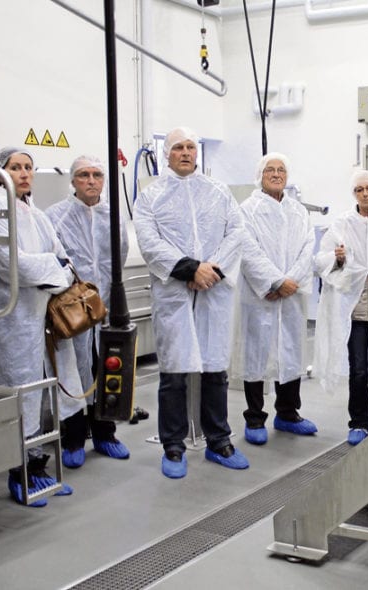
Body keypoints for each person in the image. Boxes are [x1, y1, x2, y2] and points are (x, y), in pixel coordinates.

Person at [134, 127, 249, 478]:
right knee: (174, 372)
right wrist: (189, 269)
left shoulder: (218, 191)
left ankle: (219, 440)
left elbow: (237, 231)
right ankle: (173, 445)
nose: (185, 153)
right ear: (166, 154)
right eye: (178, 148)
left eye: (190, 147)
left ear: (197, 154)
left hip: (213, 289)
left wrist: (210, 270)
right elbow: (149, 242)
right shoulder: (150, 196)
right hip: (175, 293)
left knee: (215, 368)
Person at [0, 147, 81, 506]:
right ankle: (19, 475)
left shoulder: (35, 213)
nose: (23, 173)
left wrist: (55, 270)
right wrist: (54, 271)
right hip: (11, 322)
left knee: (42, 398)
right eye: (15, 167)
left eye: (28, 167)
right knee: (19, 397)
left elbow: (64, 258)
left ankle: (38, 467)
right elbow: (16, 267)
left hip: (38, 318)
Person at [46, 155, 131, 468]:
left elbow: (118, 257)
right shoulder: (56, 216)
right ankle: (73, 437)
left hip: (105, 305)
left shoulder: (113, 216)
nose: (91, 180)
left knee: (106, 369)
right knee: (72, 370)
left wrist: (106, 297)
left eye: (97, 174)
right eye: (83, 175)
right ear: (73, 181)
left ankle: (105, 435)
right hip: (72, 310)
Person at [234, 152, 317, 445]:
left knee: (291, 351)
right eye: (270, 169)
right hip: (262, 296)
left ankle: (288, 413)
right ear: (260, 175)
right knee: (256, 355)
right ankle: (255, 418)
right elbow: (247, 250)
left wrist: (290, 281)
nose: (276, 174)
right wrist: (275, 281)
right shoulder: (247, 210)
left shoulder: (298, 211)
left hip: (290, 295)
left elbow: (308, 248)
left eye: (281, 169)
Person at [313, 170, 368, 446]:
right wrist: (338, 258)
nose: (365, 194)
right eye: (359, 190)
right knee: (358, 367)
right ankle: (359, 422)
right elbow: (321, 259)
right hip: (355, 303)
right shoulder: (342, 223)